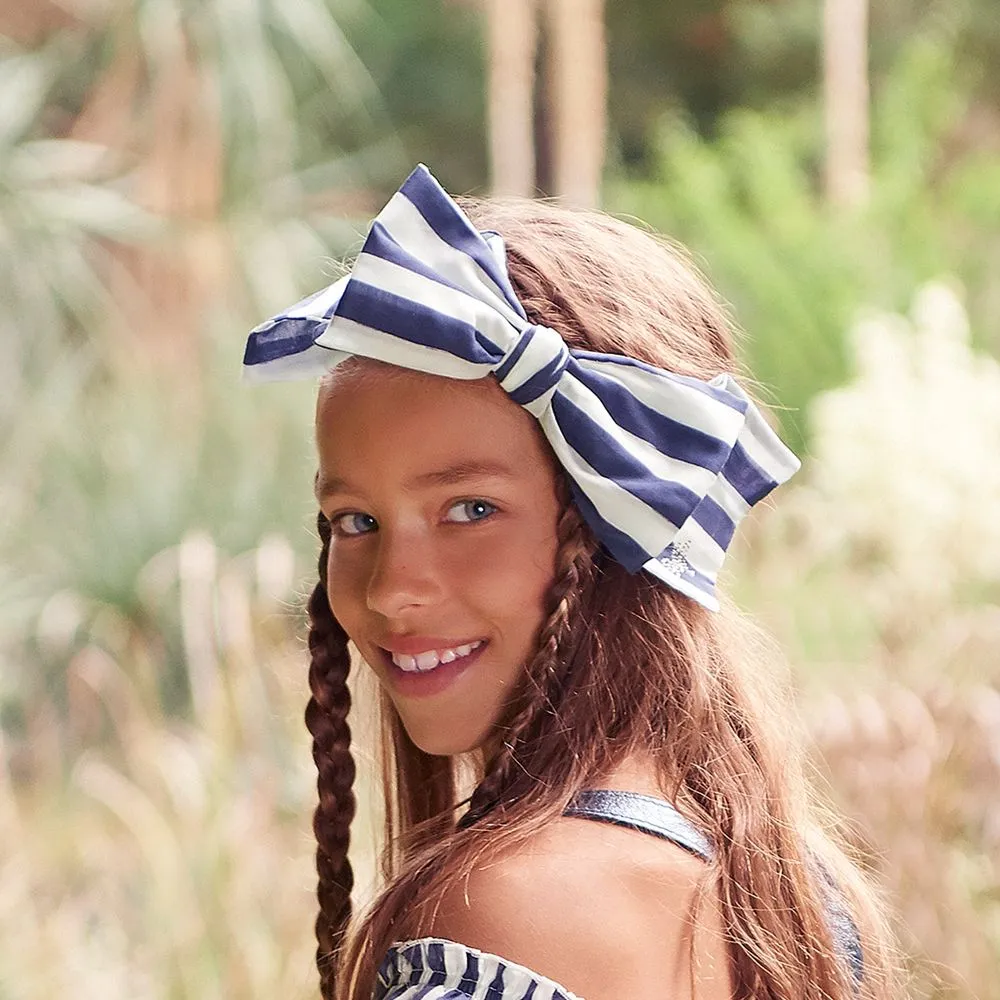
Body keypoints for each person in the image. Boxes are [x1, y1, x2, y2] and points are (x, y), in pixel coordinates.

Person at [243, 165, 902, 1000]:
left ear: (619, 520)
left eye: (470, 508)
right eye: (355, 522)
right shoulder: (797, 893)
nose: (389, 591)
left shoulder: (499, 914)